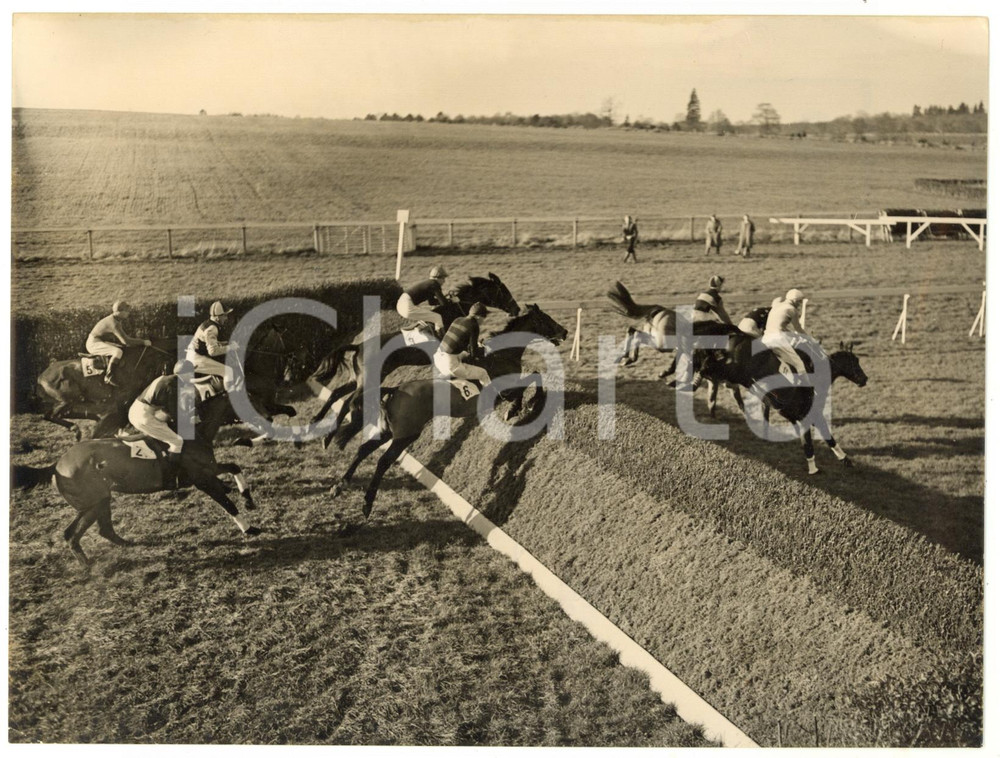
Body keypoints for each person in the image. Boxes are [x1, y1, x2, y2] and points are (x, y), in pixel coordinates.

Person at [672, 276, 733, 391]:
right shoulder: (716, 297)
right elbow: (722, 315)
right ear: (720, 286)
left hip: (691, 321)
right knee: (717, 343)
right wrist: (731, 326)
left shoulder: (702, 294)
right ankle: (709, 367)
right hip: (703, 322)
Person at [127, 362, 191, 461]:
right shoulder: (172, 385)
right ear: (185, 373)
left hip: (136, 411)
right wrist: (189, 419)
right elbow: (174, 413)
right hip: (144, 415)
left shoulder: (164, 378)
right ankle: (170, 472)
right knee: (177, 441)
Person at [85, 300, 152, 386]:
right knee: (117, 352)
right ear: (119, 312)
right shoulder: (114, 323)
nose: (128, 313)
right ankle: (108, 376)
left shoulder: (115, 320)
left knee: (120, 348)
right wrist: (143, 342)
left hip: (99, 341)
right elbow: (126, 341)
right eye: (126, 311)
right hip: (93, 343)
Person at [433, 302, 492, 388]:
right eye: (484, 317)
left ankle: (445, 375)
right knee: (483, 373)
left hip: (438, 357)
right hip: (450, 363)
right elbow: (474, 353)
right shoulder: (474, 325)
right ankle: (492, 396)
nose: (484, 320)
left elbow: (459, 341)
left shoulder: (458, 319)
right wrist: (485, 349)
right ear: (478, 317)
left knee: (465, 354)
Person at [186, 300, 239, 389]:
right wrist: (230, 347)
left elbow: (210, 343)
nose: (226, 318)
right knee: (228, 371)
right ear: (218, 317)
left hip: (196, 355)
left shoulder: (209, 324)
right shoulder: (212, 328)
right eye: (225, 315)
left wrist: (226, 343)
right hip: (196, 359)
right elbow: (213, 351)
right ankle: (228, 399)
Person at [763, 289, 809, 382]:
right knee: (799, 364)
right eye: (799, 301)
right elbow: (798, 329)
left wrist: (794, 336)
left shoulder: (777, 306)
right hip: (778, 339)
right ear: (794, 300)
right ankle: (808, 389)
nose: (800, 304)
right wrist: (808, 338)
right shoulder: (792, 309)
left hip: (765, 338)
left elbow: (779, 327)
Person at [397, 265, 451, 337]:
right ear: (438, 278)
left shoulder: (430, 283)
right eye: (443, 278)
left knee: (431, 317)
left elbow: (431, 302)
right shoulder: (434, 284)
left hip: (402, 303)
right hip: (406, 305)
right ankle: (442, 339)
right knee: (437, 318)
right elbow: (444, 303)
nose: (444, 281)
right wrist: (452, 300)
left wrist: (446, 298)